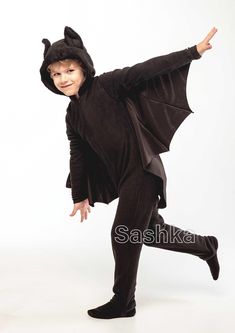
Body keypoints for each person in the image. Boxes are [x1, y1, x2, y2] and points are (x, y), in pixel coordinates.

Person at [40, 26, 219, 319]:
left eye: (69, 70)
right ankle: (206, 246)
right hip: (123, 180)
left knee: (123, 234)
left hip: (143, 171)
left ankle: (124, 301)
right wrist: (80, 194)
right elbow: (79, 154)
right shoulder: (72, 114)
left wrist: (192, 52)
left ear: (83, 68)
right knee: (150, 233)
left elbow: (147, 69)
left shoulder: (109, 85)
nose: (63, 79)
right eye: (56, 74)